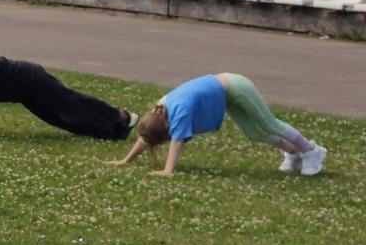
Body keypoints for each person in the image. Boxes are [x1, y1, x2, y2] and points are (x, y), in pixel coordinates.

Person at [109, 74, 326, 177]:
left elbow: (177, 141)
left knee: (269, 124)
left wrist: (168, 170)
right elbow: (147, 135)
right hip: (226, 95)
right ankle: (294, 154)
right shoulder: (160, 111)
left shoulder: (179, 110)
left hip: (237, 87)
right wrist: (126, 160)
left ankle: (311, 151)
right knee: (254, 133)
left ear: (166, 127)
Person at [0, 46, 133, 141]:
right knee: (60, 118)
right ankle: (111, 132)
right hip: (23, 92)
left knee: (69, 102)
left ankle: (120, 117)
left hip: (32, 79)